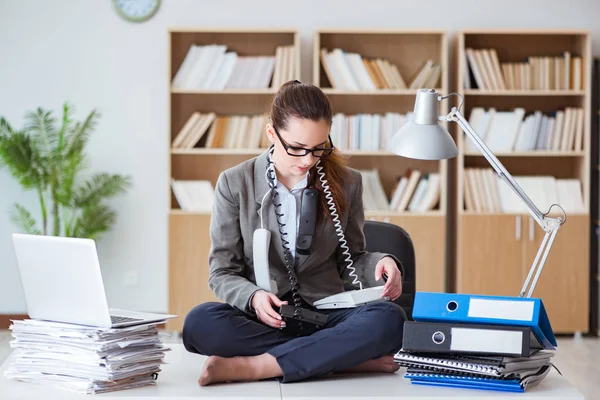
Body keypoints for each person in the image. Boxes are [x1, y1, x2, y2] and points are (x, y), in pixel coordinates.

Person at [182, 80, 406, 386]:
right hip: (267, 318)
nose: (307, 161)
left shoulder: (348, 182)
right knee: (199, 323)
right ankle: (341, 360)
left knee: (390, 320)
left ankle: (259, 366)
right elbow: (222, 272)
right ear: (272, 133)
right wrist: (254, 296)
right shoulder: (235, 183)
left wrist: (382, 262)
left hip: (327, 315)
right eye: (297, 148)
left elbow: (352, 258)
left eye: (318, 149)